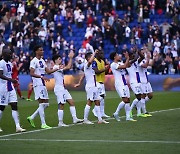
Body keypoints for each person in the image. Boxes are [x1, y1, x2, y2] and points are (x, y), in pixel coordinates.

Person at [27, 45, 59, 129]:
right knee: (41, 103)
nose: (42, 51)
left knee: (46, 104)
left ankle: (32, 117)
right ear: (36, 51)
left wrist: (57, 68)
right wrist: (41, 77)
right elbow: (31, 73)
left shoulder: (42, 60)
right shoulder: (33, 61)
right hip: (38, 83)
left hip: (42, 83)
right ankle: (43, 124)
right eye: (40, 50)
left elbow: (48, 71)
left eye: (42, 50)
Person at [75, 50, 109, 124]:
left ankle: (100, 119)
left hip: (94, 86)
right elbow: (90, 62)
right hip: (90, 87)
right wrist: (94, 53)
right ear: (87, 58)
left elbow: (84, 75)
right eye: (91, 56)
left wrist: (79, 83)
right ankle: (85, 119)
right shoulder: (87, 64)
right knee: (89, 102)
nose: (93, 57)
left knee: (97, 102)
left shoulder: (91, 66)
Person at [52, 51, 83, 127]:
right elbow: (68, 67)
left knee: (71, 102)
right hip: (59, 89)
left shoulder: (58, 67)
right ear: (55, 60)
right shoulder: (56, 67)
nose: (60, 60)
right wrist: (71, 58)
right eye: (59, 59)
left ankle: (75, 119)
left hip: (63, 88)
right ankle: (60, 122)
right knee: (61, 104)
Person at [0, 49, 26, 132]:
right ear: (4, 55)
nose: (10, 55)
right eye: (9, 54)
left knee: (14, 105)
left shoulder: (10, 64)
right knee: (1, 107)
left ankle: (17, 126)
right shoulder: (1, 63)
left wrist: (12, 80)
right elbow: (0, 75)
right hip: (3, 87)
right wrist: (10, 79)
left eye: (11, 53)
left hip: (10, 87)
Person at [110, 51, 136, 122]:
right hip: (119, 84)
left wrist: (128, 58)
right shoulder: (113, 64)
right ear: (114, 57)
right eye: (117, 55)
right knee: (125, 100)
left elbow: (127, 65)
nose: (119, 56)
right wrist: (127, 58)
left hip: (124, 83)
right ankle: (116, 113)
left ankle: (128, 117)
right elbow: (124, 66)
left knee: (128, 100)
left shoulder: (120, 62)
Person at [126, 49, 147, 118]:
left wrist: (138, 52)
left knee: (141, 97)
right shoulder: (128, 63)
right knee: (138, 97)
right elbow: (135, 59)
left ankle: (138, 113)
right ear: (130, 56)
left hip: (138, 82)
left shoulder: (136, 62)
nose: (134, 55)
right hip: (133, 82)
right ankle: (130, 110)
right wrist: (137, 54)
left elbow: (142, 57)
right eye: (132, 55)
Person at [92, 49, 110, 118]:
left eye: (103, 54)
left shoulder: (102, 61)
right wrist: (105, 69)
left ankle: (102, 113)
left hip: (102, 81)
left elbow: (105, 72)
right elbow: (96, 71)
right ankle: (95, 110)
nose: (102, 55)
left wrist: (108, 68)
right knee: (100, 96)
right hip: (96, 81)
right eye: (101, 54)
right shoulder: (94, 61)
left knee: (103, 98)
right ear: (97, 54)